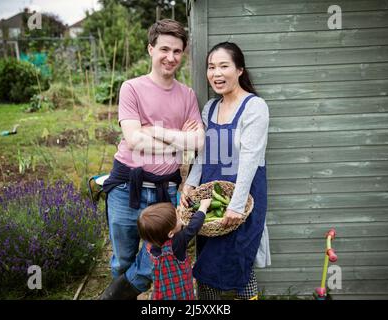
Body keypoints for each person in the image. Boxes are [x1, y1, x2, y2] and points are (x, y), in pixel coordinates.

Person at [99, 19, 205, 300]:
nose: (171, 57)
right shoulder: (131, 88)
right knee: (122, 260)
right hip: (125, 188)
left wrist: (155, 132)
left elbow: (198, 142)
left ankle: (112, 297)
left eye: (177, 51)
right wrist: (177, 140)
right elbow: (134, 140)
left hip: (164, 192)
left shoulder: (187, 96)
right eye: (164, 49)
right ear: (151, 49)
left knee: (152, 264)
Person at [181, 42, 270, 300]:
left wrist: (237, 206)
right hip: (210, 199)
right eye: (211, 67)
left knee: (241, 261)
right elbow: (204, 154)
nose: (216, 73)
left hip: (243, 197)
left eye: (223, 66)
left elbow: (251, 159)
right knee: (206, 262)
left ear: (239, 69)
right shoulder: (210, 108)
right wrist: (190, 184)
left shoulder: (255, 107)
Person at [137, 199, 211, 300]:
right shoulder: (177, 243)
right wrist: (203, 207)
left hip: (163, 291)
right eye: (178, 218)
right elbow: (193, 226)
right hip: (180, 291)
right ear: (170, 233)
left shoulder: (152, 242)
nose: (180, 218)